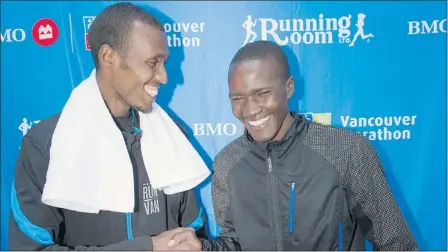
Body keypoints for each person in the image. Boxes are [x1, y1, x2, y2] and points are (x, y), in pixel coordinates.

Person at [167, 40, 419, 251]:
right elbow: (235, 243)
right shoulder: (227, 163)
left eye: (262, 94)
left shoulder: (346, 150)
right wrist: (204, 248)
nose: (251, 109)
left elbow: (396, 242)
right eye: (238, 98)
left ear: (288, 88)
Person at [9, 3, 205, 251]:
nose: (164, 76)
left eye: (164, 62)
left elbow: (193, 233)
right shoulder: (45, 144)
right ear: (108, 57)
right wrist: (146, 248)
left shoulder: (173, 136)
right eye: (153, 62)